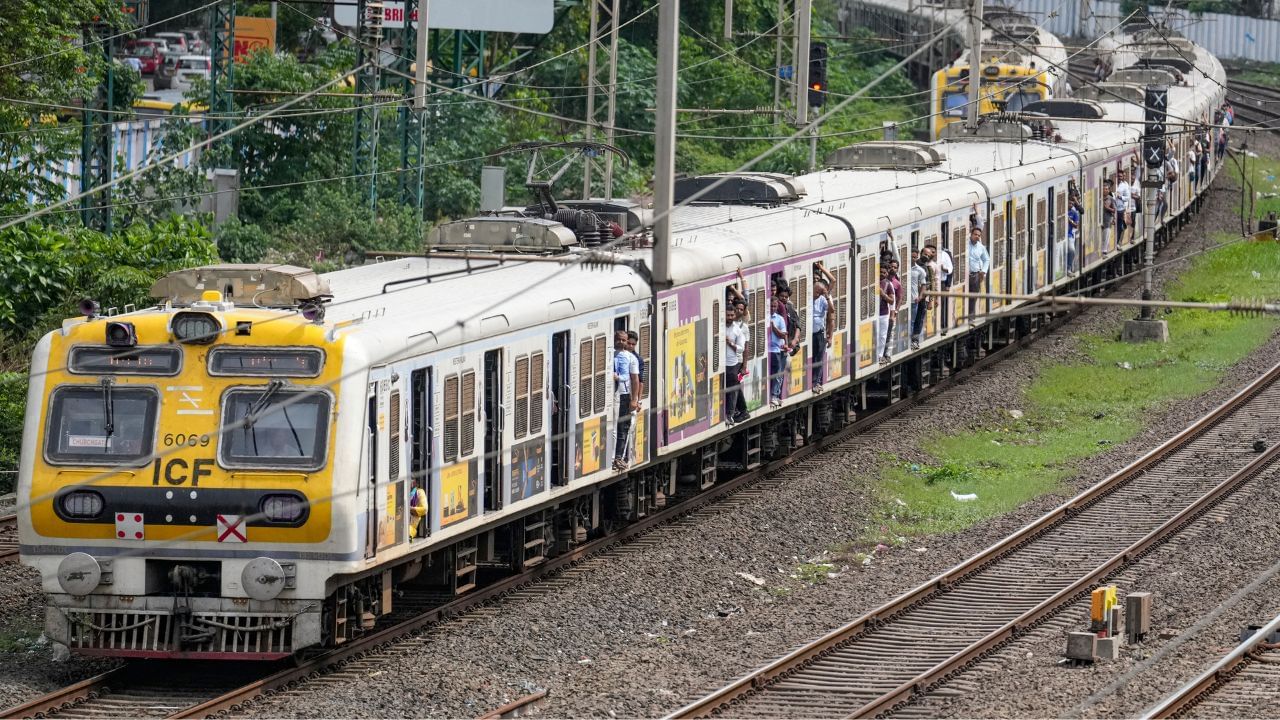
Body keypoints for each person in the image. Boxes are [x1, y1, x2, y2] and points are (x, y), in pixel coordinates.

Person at [611, 330, 638, 471]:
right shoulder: (611, 355)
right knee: (614, 427)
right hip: (613, 395)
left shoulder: (631, 358)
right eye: (618, 339)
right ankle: (613, 458)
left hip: (624, 394)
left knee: (623, 428)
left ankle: (619, 457)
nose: (621, 342)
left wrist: (634, 400)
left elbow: (634, 379)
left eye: (623, 340)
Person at [811, 262, 836, 392]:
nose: (817, 294)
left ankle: (815, 382)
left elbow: (832, 311)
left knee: (818, 358)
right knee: (812, 357)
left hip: (819, 333)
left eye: (819, 292)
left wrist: (826, 296)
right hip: (810, 334)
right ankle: (812, 381)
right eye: (816, 292)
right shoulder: (809, 298)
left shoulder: (823, 298)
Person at [724, 304, 749, 424]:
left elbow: (741, 348)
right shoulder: (720, 327)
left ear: (734, 316)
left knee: (733, 389)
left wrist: (730, 344)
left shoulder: (737, 330)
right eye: (727, 315)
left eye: (731, 315)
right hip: (721, 364)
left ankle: (730, 414)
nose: (729, 317)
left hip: (732, 364)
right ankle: (737, 411)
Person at [767, 298, 788, 408]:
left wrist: (773, 327)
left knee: (777, 374)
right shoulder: (764, 318)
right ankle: (769, 395)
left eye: (774, 306)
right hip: (767, 351)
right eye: (771, 306)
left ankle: (774, 395)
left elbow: (783, 335)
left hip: (776, 350)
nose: (773, 308)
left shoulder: (779, 319)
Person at [967, 227, 990, 319]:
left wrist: (983, 271)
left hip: (975, 275)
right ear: (971, 234)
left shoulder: (981, 247)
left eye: (979, 235)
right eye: (975, 234)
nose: (977, 236)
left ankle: (970, 317)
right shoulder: (965, 245)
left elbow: (987, 259)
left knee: (973, 296)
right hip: (964, 276)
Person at [908, 250, 929, 350]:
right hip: (904, 300)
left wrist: (920, 297)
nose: (913, 259)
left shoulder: (920, 270)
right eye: (911, 256)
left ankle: (911, 342)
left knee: (912, 322)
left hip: (913, 301)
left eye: (915, 257)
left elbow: (924, 285)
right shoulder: (903, 267)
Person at [876, 264, 896, 364]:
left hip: (883, 314)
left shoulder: (888, 284)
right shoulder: (873, 283)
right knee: (875, 335)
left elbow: (892, 301)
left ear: (887, 273)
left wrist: (883, 295)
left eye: (884, 272)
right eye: (880, 272)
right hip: (874, 315)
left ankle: (880, 355)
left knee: (882, 336)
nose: (882, 274)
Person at [933, 242, 953, 334]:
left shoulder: (945, 255)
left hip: (942, 283)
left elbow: (950, 269)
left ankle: (941, 326)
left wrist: (943, 268)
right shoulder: (930, 255)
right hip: (933, 283)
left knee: (941, 305)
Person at [1115, 169, 1132, 247]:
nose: (1119, 177)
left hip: (1120, 208)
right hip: (1114, 207)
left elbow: (1128, 197)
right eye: (1118, 176)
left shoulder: (1124, 186)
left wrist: (1120, 196)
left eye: (1121, 176)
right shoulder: (1113, 184)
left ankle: (1118, 242)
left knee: (1120, 225)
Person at [1066, 195, 1080, 273]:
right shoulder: (1062, 210)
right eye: (1069, 203)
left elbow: (1076, 225)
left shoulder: (1074, 212)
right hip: (1061, 235)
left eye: (1072, 204)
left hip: (1069, 234)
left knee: (1072, 250)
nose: (1071, 205)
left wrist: (1069, 220)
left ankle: (1069, 267)